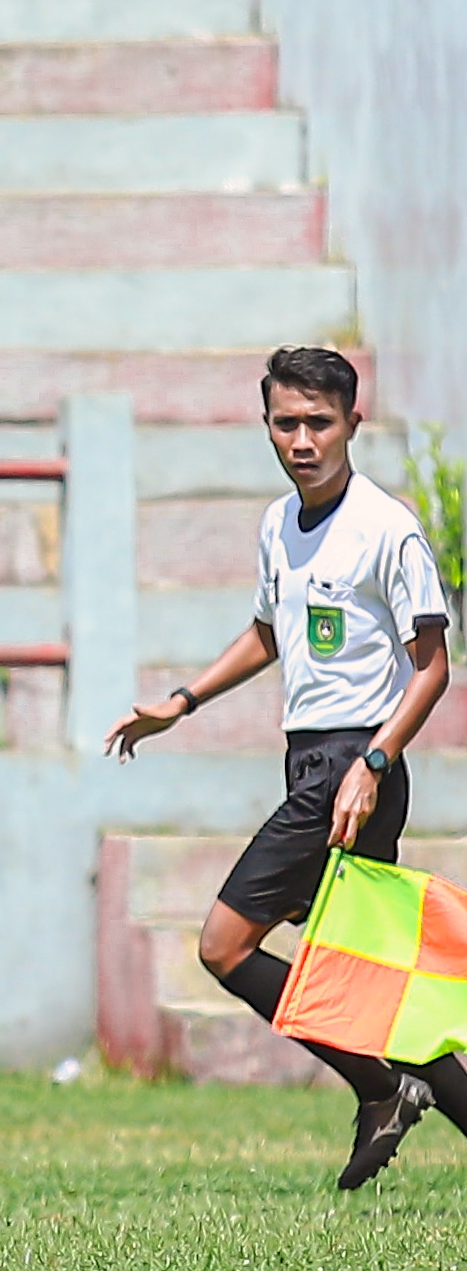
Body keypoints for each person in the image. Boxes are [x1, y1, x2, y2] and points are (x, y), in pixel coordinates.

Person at [107, 345, 456, 1190]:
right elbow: (269, 632)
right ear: (267, 423)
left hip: (355, 767)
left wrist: (373, 761)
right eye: (286, 422)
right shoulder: (276, 523)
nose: (302, 440)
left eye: (319, 423)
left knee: (224, 945)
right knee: (358, 972)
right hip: (310, 764)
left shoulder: (387, 526)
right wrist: (182, 701)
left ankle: (378, 1085)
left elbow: (435, 665)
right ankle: (395, 1087)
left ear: (353, 425)